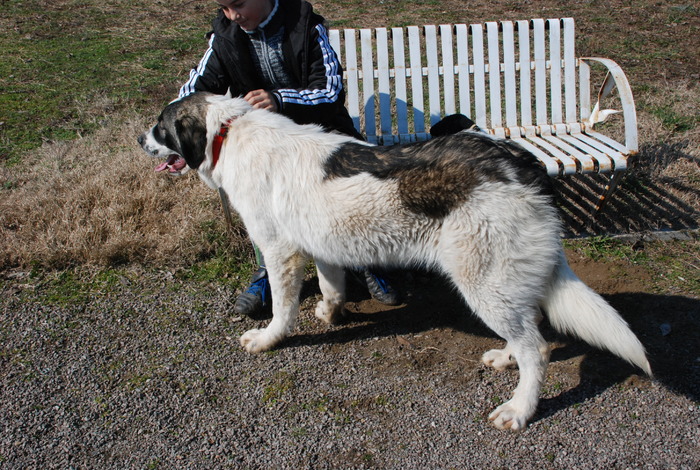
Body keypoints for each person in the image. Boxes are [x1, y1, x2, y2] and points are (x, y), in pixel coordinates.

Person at [178, 0, 399, 315]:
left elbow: (331, 90)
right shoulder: (225, 35)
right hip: (267, 145)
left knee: (343, 196)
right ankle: (270, 270)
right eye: (224, 8)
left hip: (323, 137)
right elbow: (193, 93)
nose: (232, 15)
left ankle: (361, 259)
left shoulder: (305, 24)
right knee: (251, 184)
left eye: (238, 4)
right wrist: (172, 130)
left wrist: (280, 99)